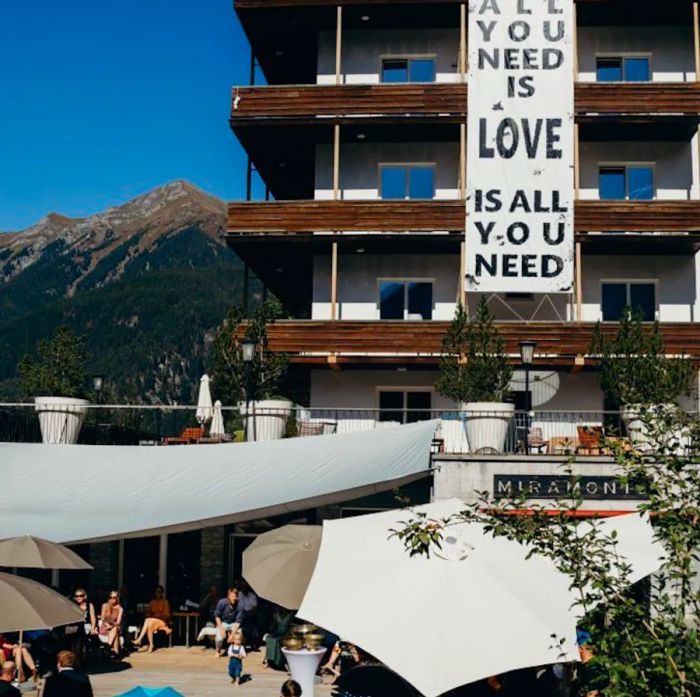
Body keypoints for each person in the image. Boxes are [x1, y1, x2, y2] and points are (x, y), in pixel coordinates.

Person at [132, 585, 173, 652]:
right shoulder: (152, 602)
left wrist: (158, 616)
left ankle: (139, 639)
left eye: (159, 592)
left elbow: (167, 615)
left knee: (148, 621)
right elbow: (148, 613)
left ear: (162, 593)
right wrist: (151, 616)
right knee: (149, 624)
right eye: (156, 591)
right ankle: (151, 645)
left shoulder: (165, 602)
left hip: (162, 622)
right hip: (152, 621)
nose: (158, 593)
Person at [214, 588, 244, 655]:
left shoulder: (240, 605)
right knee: (219, 637)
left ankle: (237, 650)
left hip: (234, 623)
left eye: (235, 596)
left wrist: (232, 635)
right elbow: (217, 616)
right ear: (228, 596)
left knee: (239, 634)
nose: (234, 598)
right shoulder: (221, 602)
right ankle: (218, 651)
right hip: (223, 622)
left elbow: (238, 622)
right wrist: (221, 629)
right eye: (232, 596)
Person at [98, 590, 123, 659]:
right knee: (115, 634)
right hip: (105, 626)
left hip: (115, 626)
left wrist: (112, 625)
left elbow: (118, 622)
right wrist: (107, 625)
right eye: (110, 597)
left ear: (117, 598)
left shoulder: (120, 608)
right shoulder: (105, 606)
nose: (112, 599)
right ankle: (116, 654)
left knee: (115, 629)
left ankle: (108, 648)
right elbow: (103, 618)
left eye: (114, 597)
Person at [236, 579, 259, 649]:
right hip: (241, 616)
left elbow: (255, 609)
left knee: (255, 620)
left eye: (246, 586)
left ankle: (254, 644)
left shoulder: (252, 596)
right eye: (243, 586)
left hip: (251, 616)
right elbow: (238, 608)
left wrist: (247, 612)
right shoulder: (239, 595)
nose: (244, 588)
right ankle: (242, 642)